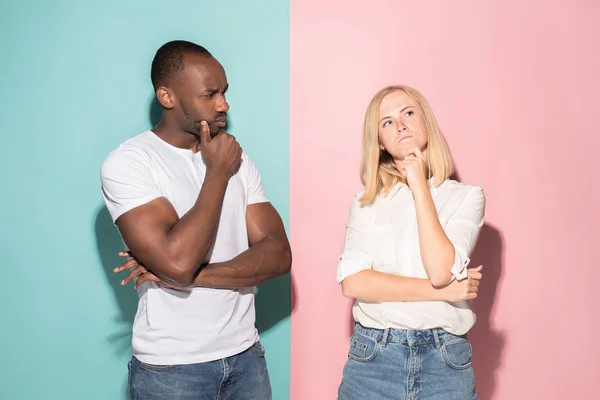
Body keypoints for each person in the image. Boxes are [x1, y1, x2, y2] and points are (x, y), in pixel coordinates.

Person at [100, 40, 291, 400]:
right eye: (209, 94)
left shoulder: (236, 156)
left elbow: (279, 255)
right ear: (167, 96)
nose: (224, 105)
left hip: (246, 357)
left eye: (224, 92)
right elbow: (178, 261)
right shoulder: (130, 164)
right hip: (172, 371)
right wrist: (216, 173)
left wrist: (186, 276)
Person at [336, 85, 485, 400]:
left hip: (445, 362)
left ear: (425, 121)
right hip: (373, 360)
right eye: (387, 122)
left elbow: (441, 271)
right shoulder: (366, 202)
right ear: (380, 142)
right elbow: (353, 283)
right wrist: (440, 293)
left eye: (408, 113)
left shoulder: (467, 197)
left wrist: (419, 184)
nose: (400, 125)